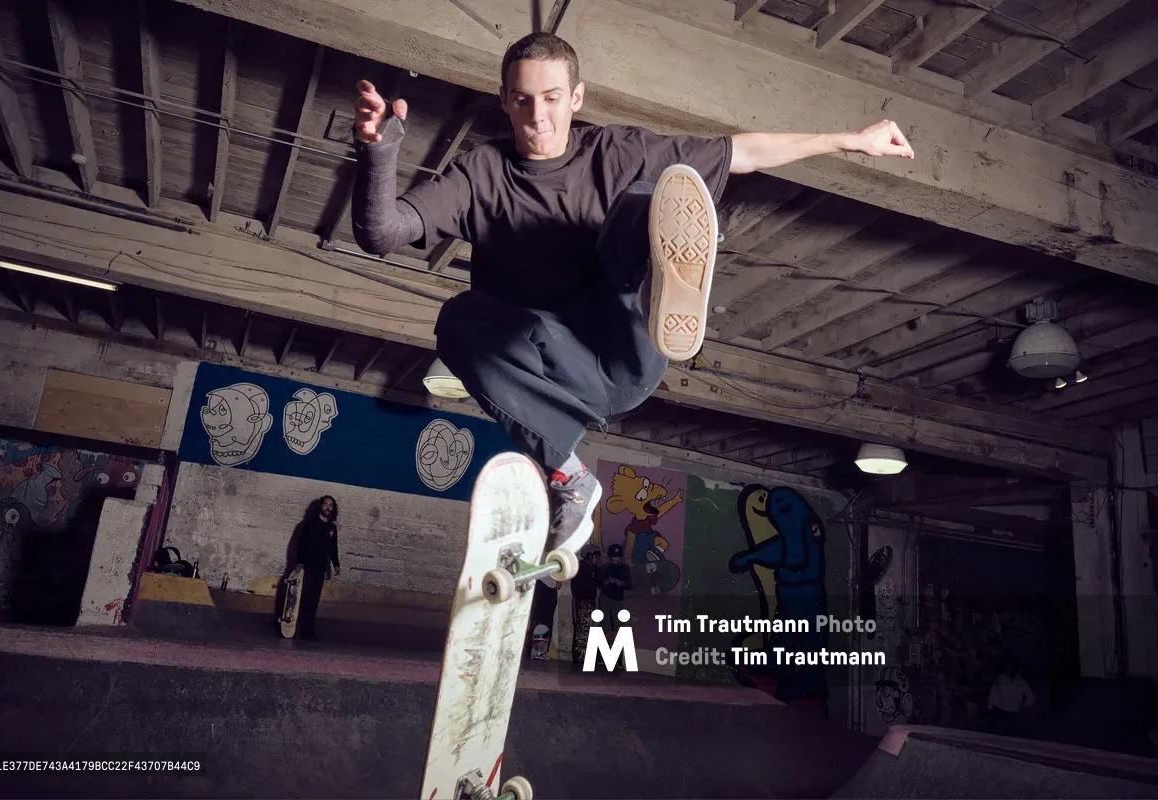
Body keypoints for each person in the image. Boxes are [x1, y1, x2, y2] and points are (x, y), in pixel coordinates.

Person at [350, 32, 913, 556]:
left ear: (577, 97)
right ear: (503, 100)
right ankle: (569, 478)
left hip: (624, 347)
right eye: (522, 101)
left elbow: (740, 152)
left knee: (646, 195)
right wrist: (379, 155)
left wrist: (848, 141)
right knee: (457, 320)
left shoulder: (616, 151)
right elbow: (382, 232)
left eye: (551, 98)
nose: (538, 117)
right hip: (553, 367)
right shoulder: (481, 174)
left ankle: (676, 263)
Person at [293, 495, 341, 640]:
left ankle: (308, 630)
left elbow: (333, 547)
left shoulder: (332, 528)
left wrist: (336, 564)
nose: (328, 507)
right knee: (304, 598)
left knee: (314, 600)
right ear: (320, 506)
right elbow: (300, 544)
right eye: (325, 504)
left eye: (330, 505)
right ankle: (298, 628)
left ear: (333, 508)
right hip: (308, 568)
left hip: (320, 569)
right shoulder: (310, 524)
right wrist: (299, 562)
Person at [569, 545, 601, 666]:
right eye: (596, 556)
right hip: (582, 601)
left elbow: (598, 582)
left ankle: (586, 655)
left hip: (589, 601)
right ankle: (580, 656)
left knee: (588, 629)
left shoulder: (593, 569)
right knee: (582, 629)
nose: (598, 559)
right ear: (589, 556)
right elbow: (581, 586)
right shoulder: (581, 567)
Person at [599, 543, 632, 634]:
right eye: (614, 557)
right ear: (610, 557)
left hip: (618, 600)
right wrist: (608, 582)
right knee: (606, 627)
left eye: (618, 557)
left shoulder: (624, 568)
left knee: (618, 627)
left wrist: (621, 583)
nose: (616, 559)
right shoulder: (604, 568)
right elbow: (599, 584)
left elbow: (629, 585)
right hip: (605, 598)